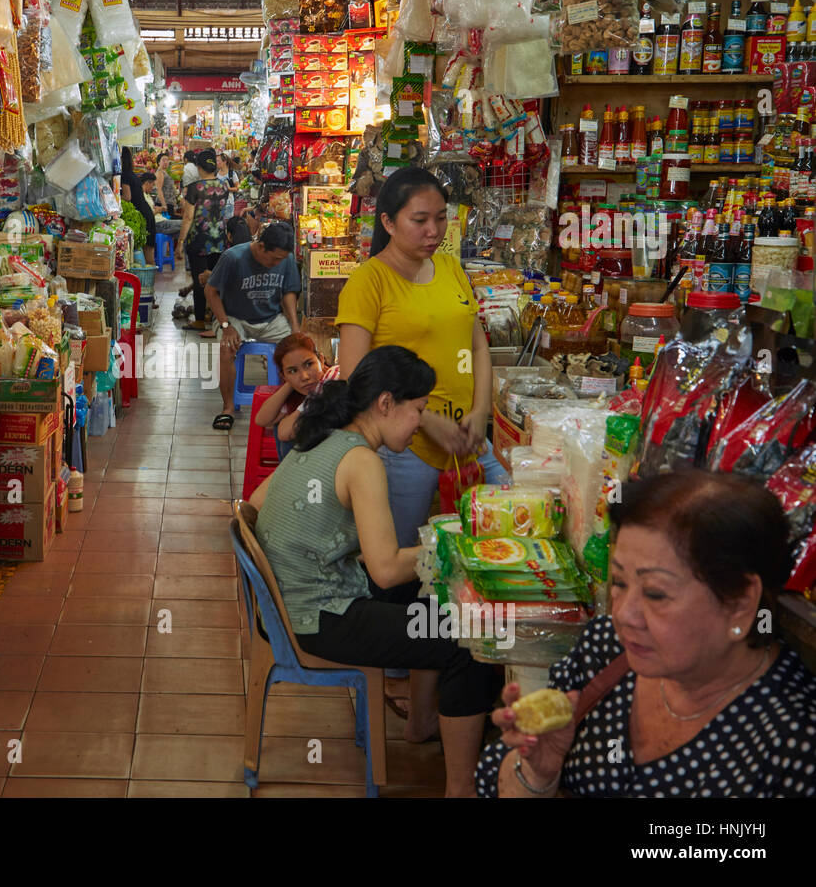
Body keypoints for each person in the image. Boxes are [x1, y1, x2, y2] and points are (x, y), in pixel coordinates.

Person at [250, 346, 501, 797]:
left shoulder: (323, 437)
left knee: (433, 592)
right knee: (472, 638)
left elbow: (253, 506)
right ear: (385, 403)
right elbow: (385, 571)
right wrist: (451, 541)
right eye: (418, 411)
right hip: (318, 618)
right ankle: (462, 788)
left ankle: (423, 721)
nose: (419, 423)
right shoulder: (363, 461)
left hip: (288, 604)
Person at [478, 469, 816, 798]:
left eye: (655, 593)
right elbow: (496, 777)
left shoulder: (793, 745)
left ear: (740, 603)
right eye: (620, 582)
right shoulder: (606, 647)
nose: (623, 614)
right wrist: (538, 773)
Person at [336, 166, 509, 549]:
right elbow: (355, 376)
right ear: (389, 222)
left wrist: (482, 411)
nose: (434, 230)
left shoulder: (450, 268)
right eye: (420, 220)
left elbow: (476, 345)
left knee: (503, 532)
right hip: (404, 445)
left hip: (469, 439)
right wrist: (425, 420)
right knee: (404, 555)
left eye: (441, 217)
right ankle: (409, 613)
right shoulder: (369, 282)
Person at [204, 219, 301, 431]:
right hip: (234, 317)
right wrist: (225, 325)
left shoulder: (286, 259)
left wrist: (294, 326)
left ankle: (289, 407)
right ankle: (228, 408)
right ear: (261, 246)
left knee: (298, 351)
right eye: (274, 258)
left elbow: (288, 293)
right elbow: (210, 291)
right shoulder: (233, 257)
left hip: (271, 319)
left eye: (281, 260)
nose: (277, 263)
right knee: (227, 349)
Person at [253, 332, 340, 461]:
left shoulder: (333, 379)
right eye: (292, 371)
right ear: (283, 376)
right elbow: (261, 420)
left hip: (337, 459)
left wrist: (293, 377)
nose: (304, 376)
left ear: (321, 360)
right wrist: (290, 384)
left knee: (292, 429)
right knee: (281, 423)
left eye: (309, 364)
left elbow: (284, 433)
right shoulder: (297, 391)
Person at [179, 149, 233, 332]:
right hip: (219, 239)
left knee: (199, 278)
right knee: (215, 279)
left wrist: (180, 243)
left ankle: (200, 319)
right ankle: (214, 315)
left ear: (199, 167)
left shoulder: (194, 188)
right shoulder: (224, 186)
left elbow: (188, 218)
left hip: (199, 241)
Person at [120, 146, 157, 254]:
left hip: (143, 216)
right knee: (148, 252)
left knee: (147, 253)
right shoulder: (133, 175)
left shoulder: (125, 176)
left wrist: (114, 197)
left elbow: (127, 197)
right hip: (147, 213)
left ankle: (149, 270)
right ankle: (150, 270)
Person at [153, 152, 179, 217]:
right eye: (163, 160)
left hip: (169, 203)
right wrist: (164, 205)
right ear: (159, 162)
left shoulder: (165, 172)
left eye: (167, 160)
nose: (166, 162)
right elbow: (159, 190)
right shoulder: (160, 172)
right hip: (164, 204)